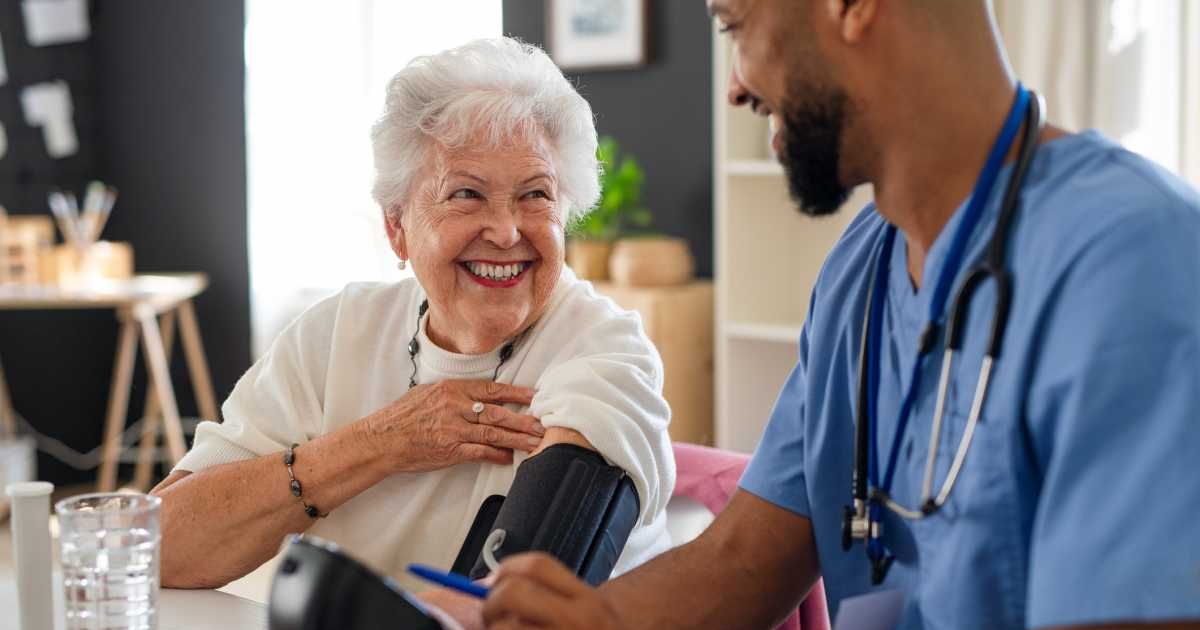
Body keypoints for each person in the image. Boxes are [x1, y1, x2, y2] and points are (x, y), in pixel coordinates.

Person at [480, 1, 1200, 629]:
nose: (735, 86)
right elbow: (741, 563)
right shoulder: (865, 264)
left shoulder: (1138, 266)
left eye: (737, 25)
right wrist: (596, 619)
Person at [151, 37, 675, 595]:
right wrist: (379, 443)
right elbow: (161, 547)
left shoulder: (604, 351)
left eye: (536, 195)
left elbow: (522, 606)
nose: (505, 231)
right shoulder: (336, 334)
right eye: (467, 194)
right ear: (396, 227)